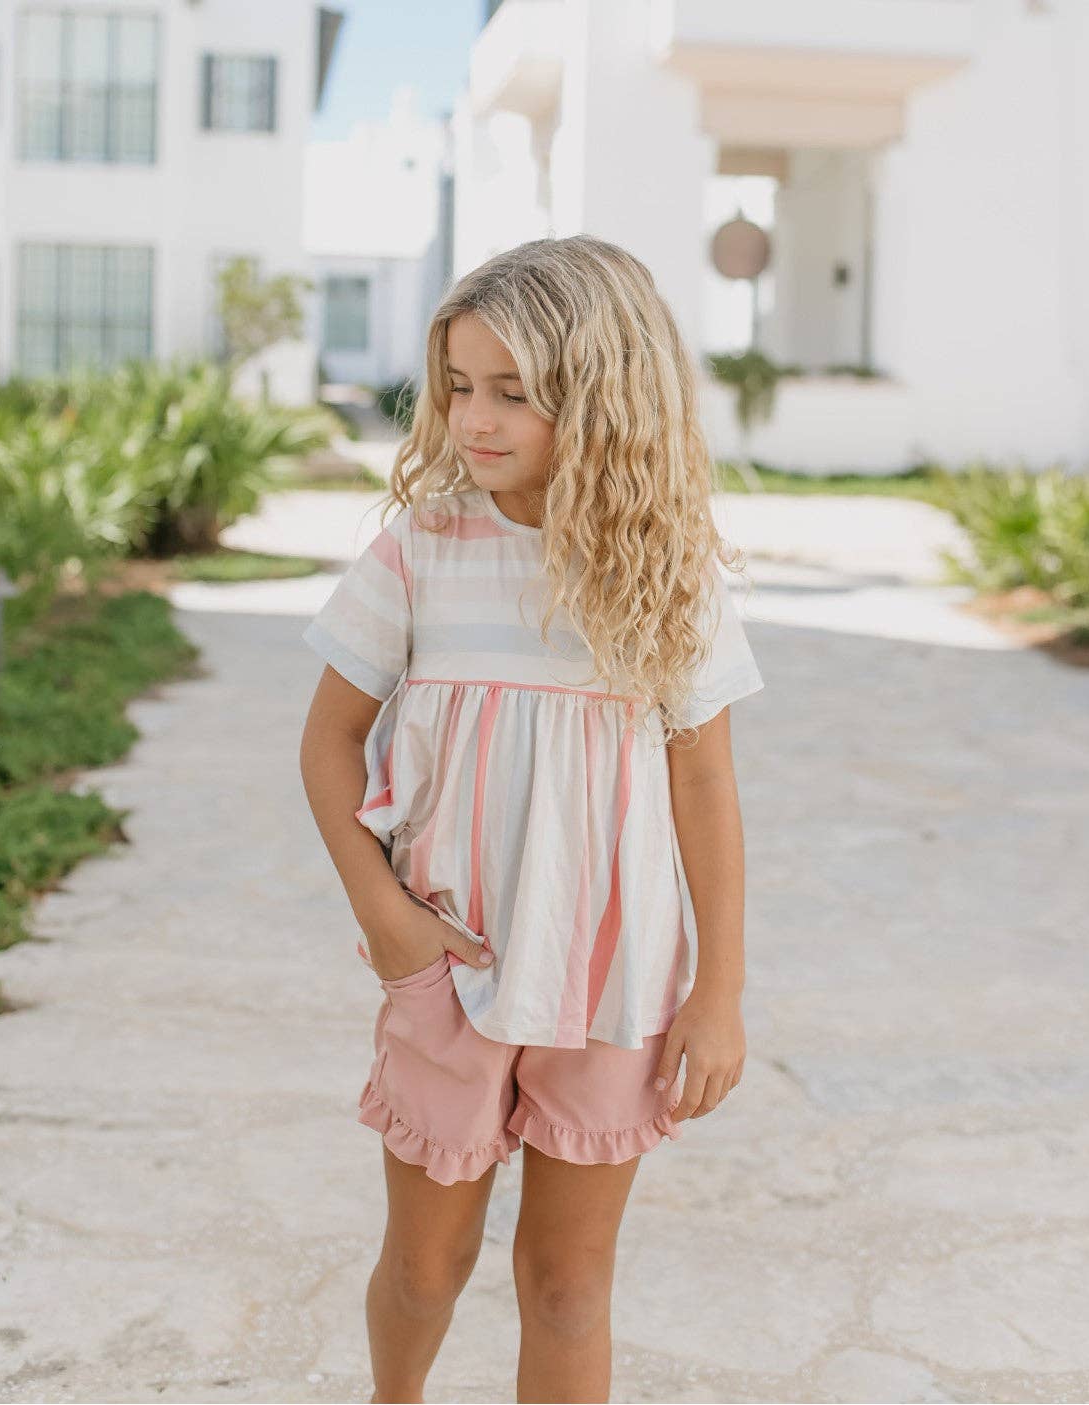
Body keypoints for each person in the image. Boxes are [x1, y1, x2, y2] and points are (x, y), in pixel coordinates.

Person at [298, 234, 765, 1404]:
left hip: (615, 985)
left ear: (602, 398)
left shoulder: (667, 573)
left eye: (512, 391)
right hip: (449, 964)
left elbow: (705, 785)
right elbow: (327, 740)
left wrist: (718, 991)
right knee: (425, 1267)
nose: (473, 419)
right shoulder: (423, 550)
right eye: (459, 385)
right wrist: (385, 915)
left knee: (566, 1286)